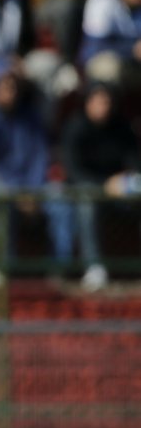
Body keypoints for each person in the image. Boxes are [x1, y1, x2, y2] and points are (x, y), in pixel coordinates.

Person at [0, 57, 75, 275]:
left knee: (61, 199)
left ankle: (59, 270)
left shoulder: (32, 117)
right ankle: (6, 270)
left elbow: (40, 157)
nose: (9, 91)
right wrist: (15, 194)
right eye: (3, 85)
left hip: (34, 187)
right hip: (1, 188)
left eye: (13, 86)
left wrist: (32, 192)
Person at [60, 80, 141, 290]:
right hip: (86, 190)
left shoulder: (122, 127)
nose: (102, 106)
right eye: (97, 101)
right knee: (87, 200)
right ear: (87, 102)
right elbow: (73, 171)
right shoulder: (75, 127)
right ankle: (94, 267)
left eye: (107, 101)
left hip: (120, 192)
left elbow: (134, 162)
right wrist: (105, 185)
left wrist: (127, 180)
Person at [79, 0, 141, 88]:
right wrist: (131, 49)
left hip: (132, 65)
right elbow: (94, 47)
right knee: (111, 67)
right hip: (97, 64)